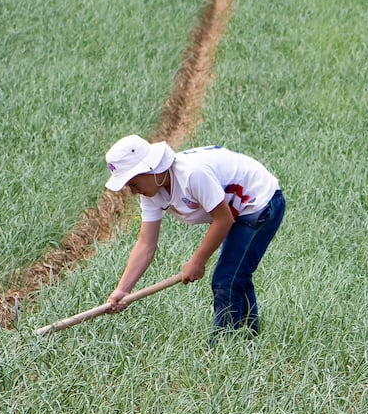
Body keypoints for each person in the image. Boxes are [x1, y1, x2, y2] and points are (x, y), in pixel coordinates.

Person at [103, 135, 285, 339]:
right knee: (235, 274)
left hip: (260, 202)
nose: (134, 192)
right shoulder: (151, 193)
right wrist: (123, 290)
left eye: (133, 183)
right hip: (233, 210)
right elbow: (146, 243)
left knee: (226, 280)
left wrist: (197, 262)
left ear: (150, 169)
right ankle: (248, 339)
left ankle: (224, 350)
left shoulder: (191, 174)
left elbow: (223, 220)